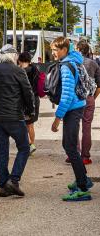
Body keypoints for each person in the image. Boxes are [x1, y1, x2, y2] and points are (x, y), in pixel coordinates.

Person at [0, 44, 34, 197]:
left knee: (2, 151)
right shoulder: (19, 71)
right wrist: (30, 111)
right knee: (24, 147)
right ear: (13, 56)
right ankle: (14, 180)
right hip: (15, 116)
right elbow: (28, 92)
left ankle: (4, 185)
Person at [50, 37, 92, 201]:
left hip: (72, 109)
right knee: (69, 145)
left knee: (70, 146)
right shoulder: (73, 61)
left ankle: (82, 188)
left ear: (64, 50)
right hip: (77, 106)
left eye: (55, 49)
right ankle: (83, 179)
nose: (53, 53)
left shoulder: (66, 66)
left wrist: (57, 118)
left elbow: (67, 96)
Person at [75, 41, 100, 165]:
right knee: (87, 127)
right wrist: (92, 98)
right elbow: (99, 86)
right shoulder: (94, 64)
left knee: (73, 126)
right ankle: (85, 156)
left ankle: (73, 154)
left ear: (78, 49)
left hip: (75, 98)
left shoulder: (73, 62)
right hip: (89, 98)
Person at [18, 52, 40, 155]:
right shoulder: (35, 68)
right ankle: (32, 144)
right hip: (35, 99)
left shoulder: (22, 71)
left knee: (24, 124)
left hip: (25, 100)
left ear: (20, 60)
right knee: (31, 125)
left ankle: (28, 146)